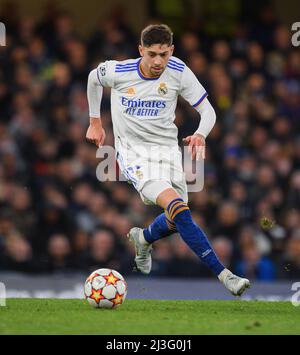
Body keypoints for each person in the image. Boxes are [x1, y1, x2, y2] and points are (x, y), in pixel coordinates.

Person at [86, 24, 250, 296]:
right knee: (178, 208)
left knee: (175, 220)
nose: (158, 61)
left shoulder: (178, 71)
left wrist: (200, 134)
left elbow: (208, 111)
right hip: (135, 155)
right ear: (141, 51)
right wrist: (95, 122)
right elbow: (93, 78)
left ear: (171, 51)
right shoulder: (119, 71)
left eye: (163, 54)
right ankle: (225, 274)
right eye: (151, 54)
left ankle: (144, 237)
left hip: (169, 153)